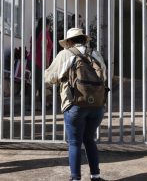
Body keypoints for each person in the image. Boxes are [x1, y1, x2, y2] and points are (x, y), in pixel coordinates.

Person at [45, 28, 106, 181]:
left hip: (75, 104)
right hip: (97, 106)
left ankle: (76, 178)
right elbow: (104, 74)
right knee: (89, 139)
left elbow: (49, 77)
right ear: (84, 39)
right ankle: (96, 176)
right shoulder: (95, 54)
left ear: (70, 41)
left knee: (74, 143)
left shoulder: (66, 54)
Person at [27, 18, 53, 102]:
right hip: (38, 61)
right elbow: (44, 48)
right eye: (49, 25)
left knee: (39, 83)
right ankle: (32, 105)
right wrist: (46, 64)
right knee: (38, 83)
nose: (49, 27)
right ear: (47, 25)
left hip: (32, 60)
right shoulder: (44, 33)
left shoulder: (36, 32)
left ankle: (41, 104)